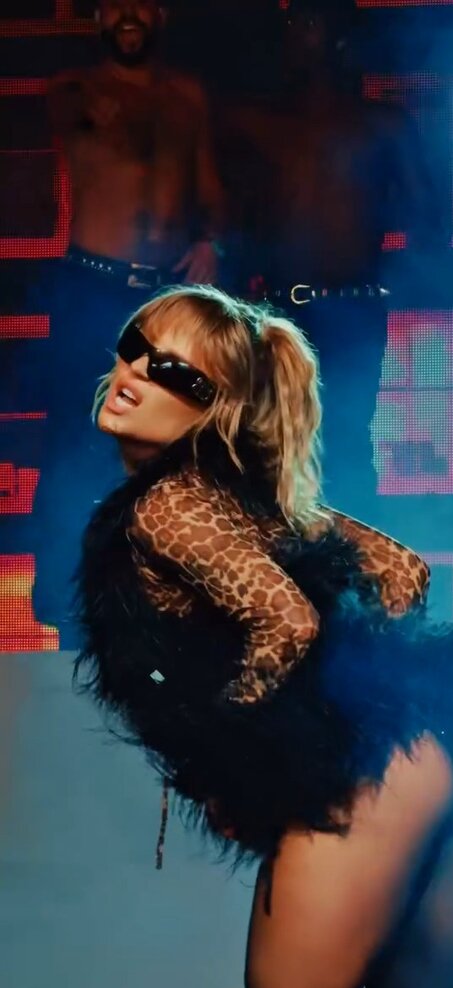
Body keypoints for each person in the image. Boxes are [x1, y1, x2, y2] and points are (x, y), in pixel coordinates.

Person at [72, 285, 453, 988]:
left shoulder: (167, 504)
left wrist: (236, 754)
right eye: (135, 346)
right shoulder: (260, 505)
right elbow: (405, 573)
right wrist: (371, 692)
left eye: (175, 373)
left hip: (379, 772)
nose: (136, 373)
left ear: (218, 410)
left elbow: (287, 624)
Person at [28, 0, 225, 647]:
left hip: (162, 293)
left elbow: (207, 187)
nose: (128, 16)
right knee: (77, 442)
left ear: (161, 14)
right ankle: (66, 610)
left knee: (167, 448)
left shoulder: (186, 95)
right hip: (91, 286)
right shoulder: (76, 91)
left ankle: (155, 603)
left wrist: (210, 241)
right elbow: (74, 121)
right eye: (115, 5)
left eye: (140, 3)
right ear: (97, 18)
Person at [219, 0, 440, 517]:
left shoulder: (380, 124)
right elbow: (225, 216)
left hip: (351, 305)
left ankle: (354, 562)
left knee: (347, 444)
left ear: (339, 33)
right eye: (293, 22)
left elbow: (428, 221)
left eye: (312, 21)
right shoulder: (257, 122)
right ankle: (280, 563)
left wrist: (396, 276)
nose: (301, 33)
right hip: (276, 312)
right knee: (269, 445)